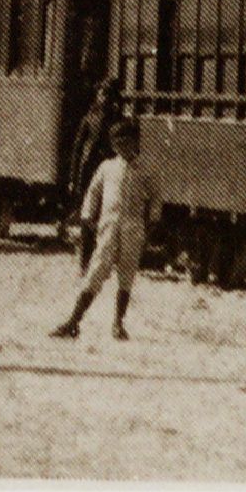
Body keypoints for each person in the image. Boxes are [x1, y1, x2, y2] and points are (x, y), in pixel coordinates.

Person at [53, 120, 158, 342]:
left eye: (126, 142)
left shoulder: (147, 170)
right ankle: (73, 321)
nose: (121, 148)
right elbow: (93, 192)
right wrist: (88, 217)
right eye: (116, 144)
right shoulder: (107, 167)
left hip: (133, 228)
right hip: (108, 227)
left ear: (136, 142)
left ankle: (118, 324)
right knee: (96, 272)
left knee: (126, 276)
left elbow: (156, 200)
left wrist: (150, 226)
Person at [63, 66, 126, 263]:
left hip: (110, 174)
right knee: (88, 213)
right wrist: (73, 178)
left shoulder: (119, 121)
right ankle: (85, 256)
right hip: (89, 172)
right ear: (98, 96)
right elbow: (77, 149)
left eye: (109, 95)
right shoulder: (89, 119)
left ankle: (100, 255)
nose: (105, 99)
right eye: (102, 94)